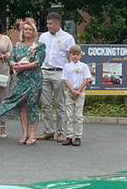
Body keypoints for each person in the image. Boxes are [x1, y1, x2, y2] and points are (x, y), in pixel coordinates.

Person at [0, 20, 44, 145]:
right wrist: (14, 65)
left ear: (34, 32)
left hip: (34, 79)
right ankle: (24, 133)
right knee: (22, 106)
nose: (28, 31)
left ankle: (33, 134)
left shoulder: (39, 46)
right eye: (26, 29)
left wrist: (22, 67)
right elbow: (11, 60)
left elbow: (38, 63)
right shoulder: (17, 45)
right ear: (22, 31)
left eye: (30, 29)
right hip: (20, 80)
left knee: (32, 106)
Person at [38, 12, 74, 142]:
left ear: (58, 23)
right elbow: (39, 54)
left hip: (59, 72)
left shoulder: (68, 38)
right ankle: (48, 131)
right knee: (45, 104)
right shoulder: (43, 37)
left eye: (50, 23)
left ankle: (60, 132)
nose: (48, 25)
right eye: (47, 23)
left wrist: (71, 76)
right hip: (44, 72)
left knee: (60, 104)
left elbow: (71, 58)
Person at [62, 44, 91, 146]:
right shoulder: (66, 66)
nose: (75, 56)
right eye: (73, 54)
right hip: (69, 92)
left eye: (77, 54)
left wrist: (78, 90)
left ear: (80, 55)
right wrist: (72, 91)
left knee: (78, 116)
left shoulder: (83, 66)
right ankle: (69, 136)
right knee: (69, 115)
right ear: (70, 55)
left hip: (80, 92)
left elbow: (86, 79)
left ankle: (78, 136)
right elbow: (65, 79)